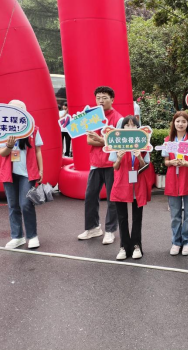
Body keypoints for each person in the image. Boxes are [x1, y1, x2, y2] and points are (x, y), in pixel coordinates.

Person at [77, 86, 123, 245]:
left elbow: (118, 143)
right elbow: (89, 140)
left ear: (112, 99)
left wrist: (101, 140)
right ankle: (93, 228)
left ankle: (110, 231)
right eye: (98, 98)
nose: (101, 101)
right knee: (90, 196)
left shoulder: (118, 119)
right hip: (96, 163)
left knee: (112, 198)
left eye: (104, 98)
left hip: (112, 163)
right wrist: (105, 141)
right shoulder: (92, 117)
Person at [0, 100, 43, 250]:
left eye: (19, 110)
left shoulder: (33, 129)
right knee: (13, 205)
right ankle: (17, 237)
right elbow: (2, 153)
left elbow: (38, 151)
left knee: (26, 204)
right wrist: (9, 146)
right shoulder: (2, 129)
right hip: (9, 173)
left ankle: (32, 236)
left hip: (27, 173)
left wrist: (41, 170)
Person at [109, 116, 152, 261]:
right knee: (122, 217)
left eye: (133, 125)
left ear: (138, 128)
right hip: (121, 183)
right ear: (122, 128)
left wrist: (139, 157)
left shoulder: (143, 142)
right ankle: (123, 247)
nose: (130, 128)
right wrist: (119, 158)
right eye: (127, 125)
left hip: (137, 184)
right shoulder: (116, 143)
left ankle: (136, 246)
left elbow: (145, 166)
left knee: (137, 218)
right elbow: (115, 167)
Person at [163, 112, 188, 256]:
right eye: (178, 121)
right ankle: (176, 242)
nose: (180, 124)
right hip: (173, 180)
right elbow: (165, 161)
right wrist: (171, 162)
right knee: (175, 215)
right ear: (173, 123)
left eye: (183, 121)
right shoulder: (168, 140)